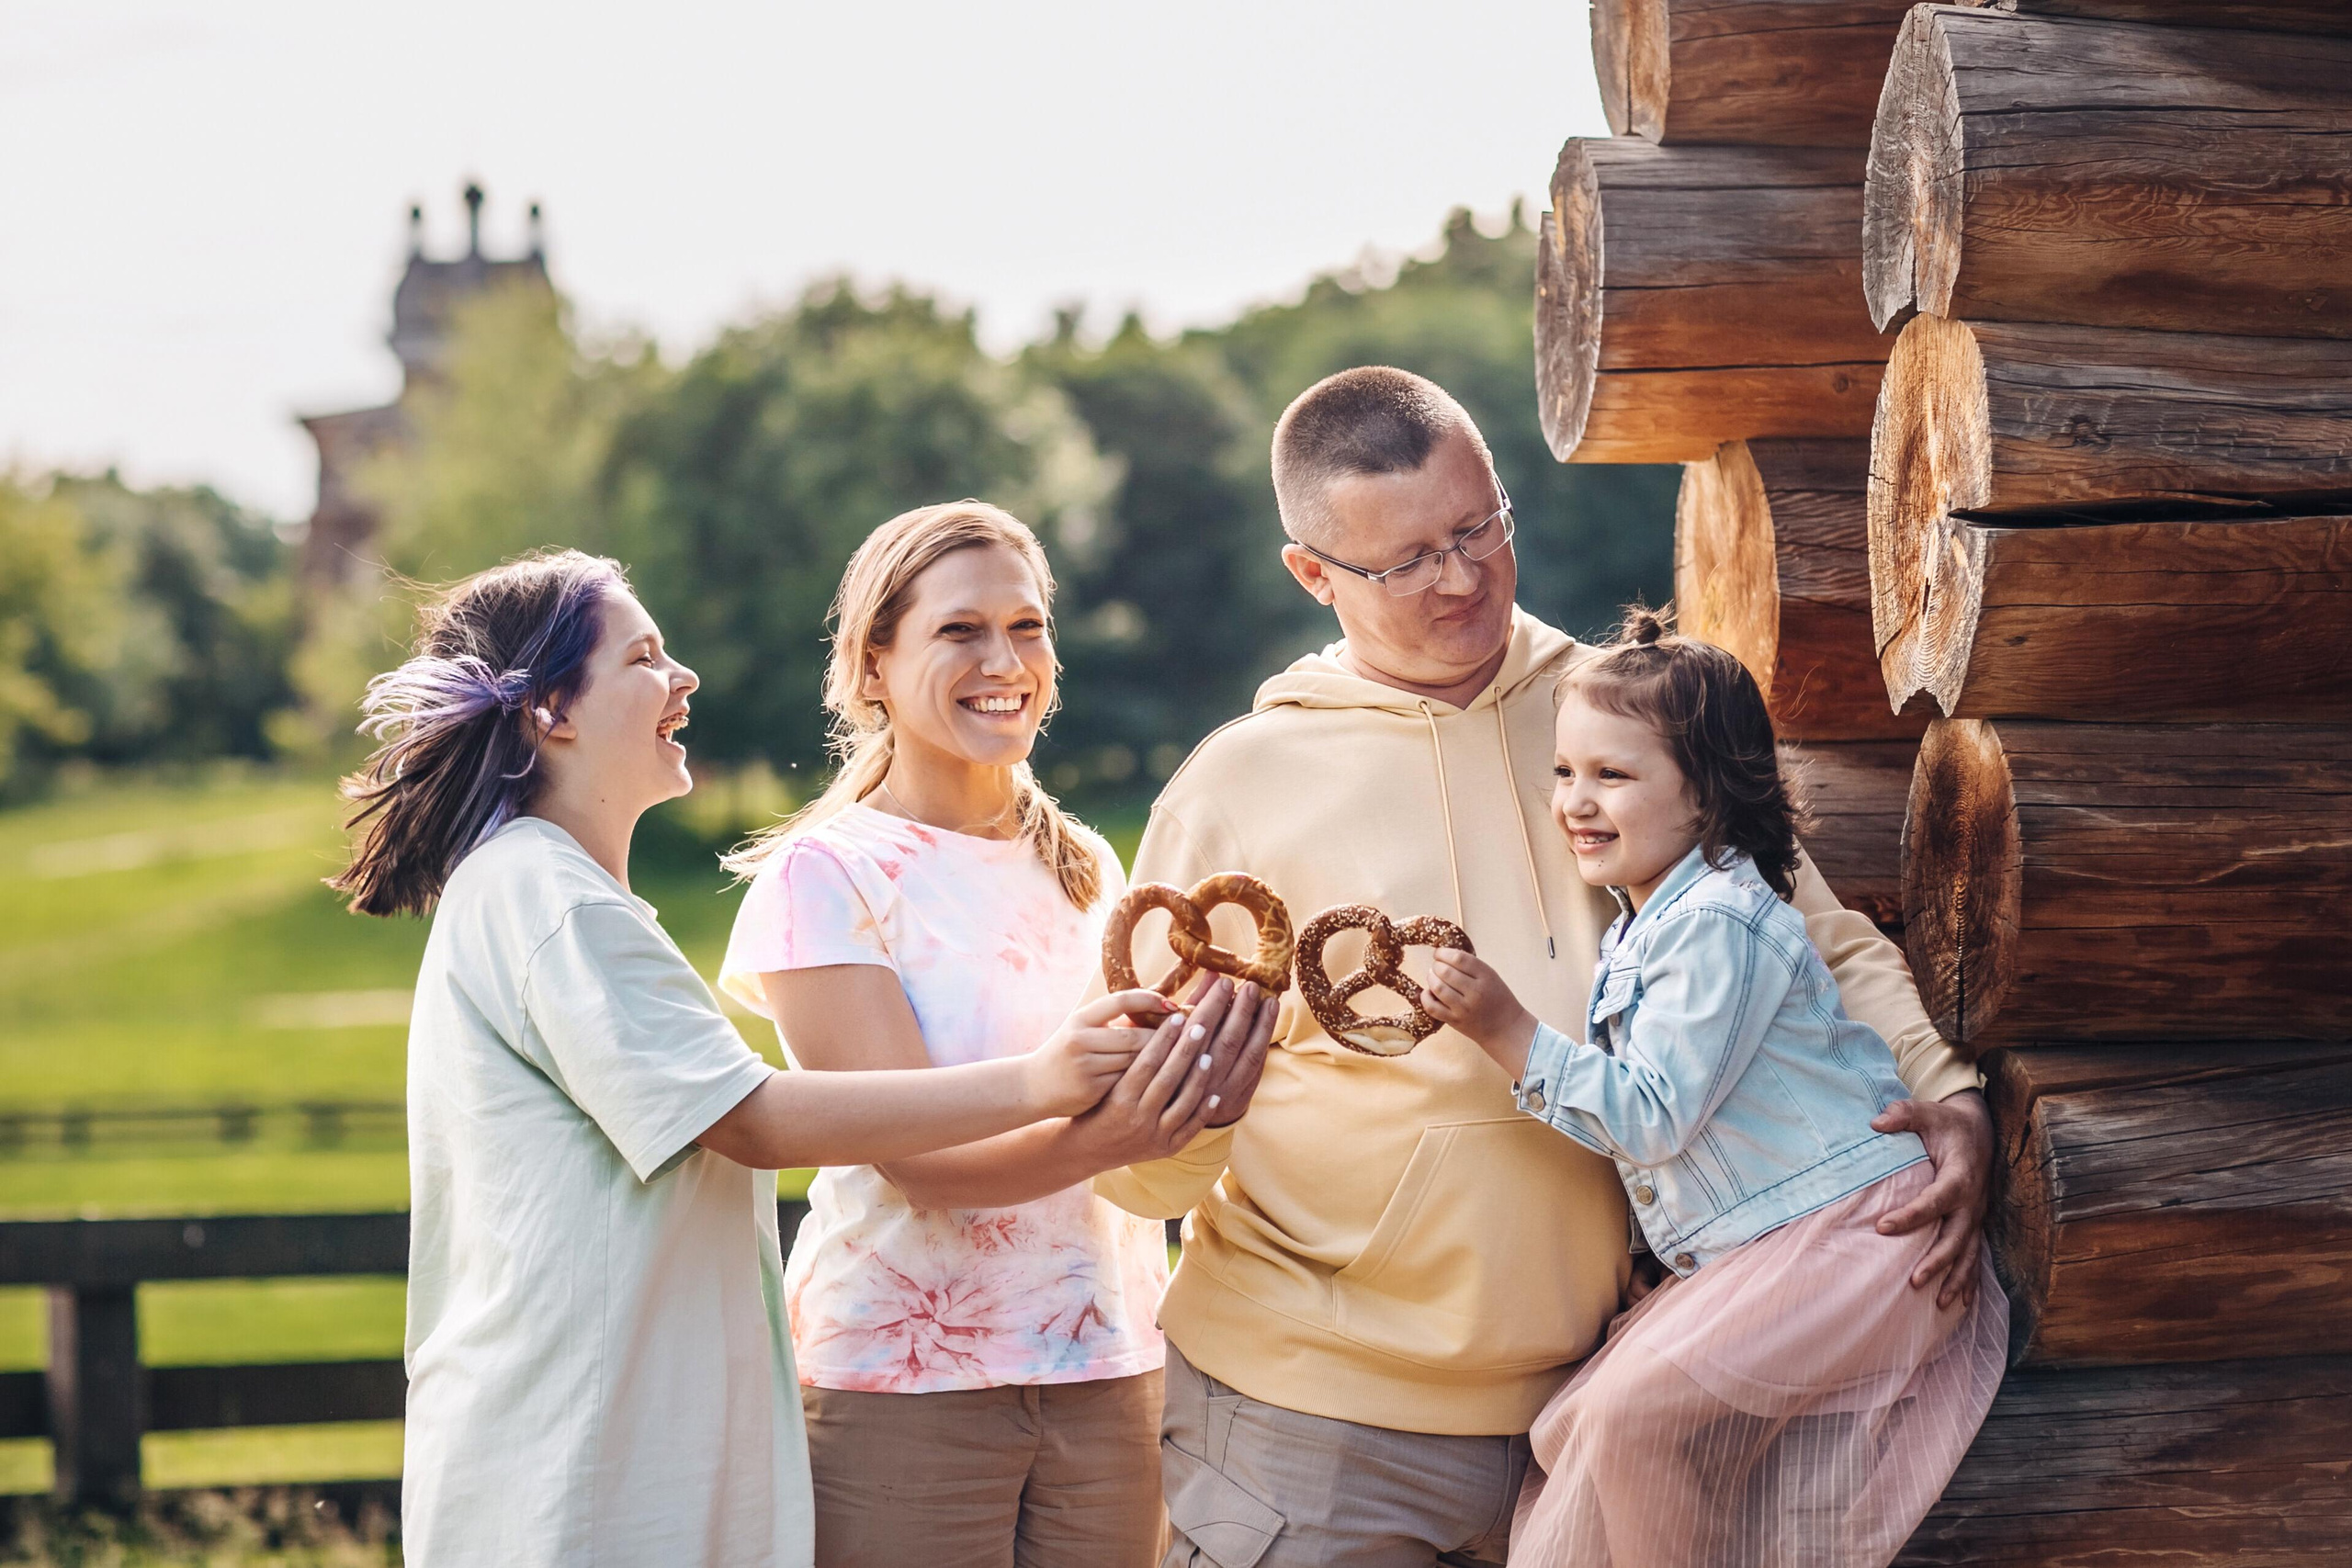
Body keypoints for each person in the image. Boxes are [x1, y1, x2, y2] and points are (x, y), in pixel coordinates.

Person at [1093, 367, 1998, 1568]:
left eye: (1479, 526)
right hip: (1311, 1419)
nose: (1463, 574)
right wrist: (1164, 1115)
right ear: (1314, 574)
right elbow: (1153, 1171)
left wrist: (1953, 1091)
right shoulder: (1234, 789)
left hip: (1610, 1384)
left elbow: (1810, 932)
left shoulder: (1627, 710)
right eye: (1408, 558)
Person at [334, 547, 1168, 1568]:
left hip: (610, 1438)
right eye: (644, 657)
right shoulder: (542, 898)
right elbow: (758, 1121)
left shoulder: (559, 896)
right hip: (579, 1461)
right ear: (552, 711)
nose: (682, 678)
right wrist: (1044, 1083)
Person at [716, 502, 1280, 1568]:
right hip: (900, 1379)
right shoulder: (825, 878)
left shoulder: (1087, 868)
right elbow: (920, 1163)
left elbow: (1126, 1112)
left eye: (1026, 627)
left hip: (1109, 1358)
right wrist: (1123, 1132)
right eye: (959, 631)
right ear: (871, 665)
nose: (1003, 660)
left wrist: (1191, 1088)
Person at [1419, 609, 2007, 1566]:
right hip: (1771, 1244)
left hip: (1853, 1238)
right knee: (1594, 1426)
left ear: (1706, 799)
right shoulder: (1646, 927)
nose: (1575, 800)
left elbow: (1652, 1116)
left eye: (1612, 775)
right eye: (1565, 772)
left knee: (1628, 1419)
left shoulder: (1718, 922)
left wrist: (1509, 1033)